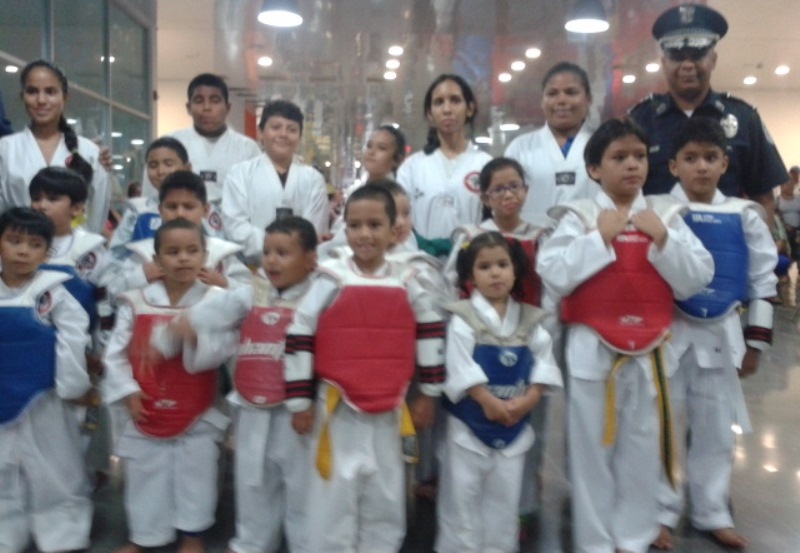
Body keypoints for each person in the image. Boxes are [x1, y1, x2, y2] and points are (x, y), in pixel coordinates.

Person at [536, 118, 713, 553]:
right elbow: (553, 273)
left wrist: (664, 240)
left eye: (638, 156)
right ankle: (595, 542)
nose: (632, 165)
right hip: (593, 346)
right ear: (595, 169)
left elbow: (697, 278)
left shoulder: (666, 216)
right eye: (619, 157)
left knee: (642, 449)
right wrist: (599, 238)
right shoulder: (580, 217)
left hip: (651, 347)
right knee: (591, 452)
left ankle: (633, 539)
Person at [284, 184, 446, 552]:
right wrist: (299, 402)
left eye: (374, 225)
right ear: (345, 229)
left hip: (391, 408)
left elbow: (431, 329)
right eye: (355, 225)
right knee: (332, 495)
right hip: (336, 407)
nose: (364, 234)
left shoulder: (408, 280)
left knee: (385, 497)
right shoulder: (331, 278)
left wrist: (429, 393)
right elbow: (299, 332)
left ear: (394, 230)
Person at [651, 117, 776, 550]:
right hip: (666, 335)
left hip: (722, 336)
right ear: (673, 166)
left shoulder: (745, 215)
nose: (701, 167)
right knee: (662, 427)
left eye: (710, 158)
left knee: (717, 429)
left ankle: (712, 511)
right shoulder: (655, 212)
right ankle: (659, 512)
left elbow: (763, 280)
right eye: (690, 158)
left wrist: (755, 343)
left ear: (724, 163)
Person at [172, 216, 318, 553]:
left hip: (300, 410)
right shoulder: (254, 291)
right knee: (252, 481)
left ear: (311, 258)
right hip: (253, 403)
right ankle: (251, 544)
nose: (271, 260)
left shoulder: (321, 295)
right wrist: (185, 325)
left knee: (304, 489)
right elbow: (218, 309)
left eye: (283, 253)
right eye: (267, 252)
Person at [102, 219, 229, 553]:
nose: (183, 258)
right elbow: (116, 353)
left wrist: (196, 337)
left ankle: (193, 534)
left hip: (197, 405)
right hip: (146, 402)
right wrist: (127, 391)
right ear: (157, 260)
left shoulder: (217, 300)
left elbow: (227, 350)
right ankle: (144, 535)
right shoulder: (135, 301)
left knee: (197, 474)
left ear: (205, 256)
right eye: (172, 252)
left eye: (192, 251)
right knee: (145, 473)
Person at [435, 232, 562, 553]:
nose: (495, 273)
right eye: (484, 267)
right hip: (468, 425)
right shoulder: (463, 318)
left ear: (515, 270)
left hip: (514, 422)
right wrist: (486, 400)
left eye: (502, 265)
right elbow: (459, 366)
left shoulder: (531, 320)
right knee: (461, 496)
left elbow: (544, 365)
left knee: (505, 499)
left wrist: (530, 398)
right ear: (470, 276)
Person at [629, 3, 787, 221]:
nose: (687, 65)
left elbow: (763, 197)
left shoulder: (744, 118)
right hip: (660, 239)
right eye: (677, 56)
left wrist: (759, 241)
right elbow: (623, 193)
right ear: (664, 63)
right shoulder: (640, 120)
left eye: (697, 54)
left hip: (728, 238)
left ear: (713, 60)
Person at [0, 207, 92, 553]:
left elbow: (74, 335)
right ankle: (6, 536)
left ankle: (62, 537)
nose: (23, 251)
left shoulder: (51, 291)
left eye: (35, 244)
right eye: (14, 241)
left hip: (44, 396)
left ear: (46, 251)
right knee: (3, 470)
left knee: (56, 468)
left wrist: (72, 385)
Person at [29, 166, 117, 478]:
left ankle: (84, 480)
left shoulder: (89, 251)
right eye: (36, 198)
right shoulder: (19, 244)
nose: (41, 205)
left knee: (79, 426)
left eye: (52, 199)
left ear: (77, 208)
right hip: (31, 352)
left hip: (80, 353)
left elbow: (105, 304)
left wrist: (102, 349)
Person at [144, 73, 262, 236]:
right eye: (199, 101)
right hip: (178, 229)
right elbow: (151, 195)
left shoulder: (248, 148)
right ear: (188, 107)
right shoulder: (169, 144)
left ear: (227, 108)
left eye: (215, 100)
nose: (207, 107)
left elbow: (257, 201)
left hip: (233, 233)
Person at [0, 60, 110, 233]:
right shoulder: (5, 149)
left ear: (64, 97)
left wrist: (83, 244)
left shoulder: (89, 152)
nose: (41, 100)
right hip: (20, 244)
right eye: (32, 91)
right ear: (22, 97)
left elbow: (97, 214)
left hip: (77, 247)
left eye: (50, 92)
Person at [222, 100, 329, 264]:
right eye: (276, 127)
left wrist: (288, 254)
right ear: (260, 132)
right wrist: (279, 250)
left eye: (292, 129)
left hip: (299, 271)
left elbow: (314, 230)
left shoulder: (313, 179)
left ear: (299, 137)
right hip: (251, 269)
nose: (283, 134)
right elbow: (235, 227)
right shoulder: (239, 174)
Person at [397, 73, 492, 257]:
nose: (447, 109)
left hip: (473, 263)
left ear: (470, 108)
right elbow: (400, 223)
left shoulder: (485, 164)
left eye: (455, 100)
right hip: (422, 264)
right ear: (429, 114)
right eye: (439, 102)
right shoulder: (411, 168)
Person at [112, 171, 250, 295]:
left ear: (205, 210)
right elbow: (112, 293)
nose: (180, 214)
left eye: (188, 207)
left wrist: (225, 283)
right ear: (160, 210)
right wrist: (140, 277)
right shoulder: (144, 254)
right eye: (172, 207)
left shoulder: (221, 255)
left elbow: (251, 294)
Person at [505, 61, 600, 226]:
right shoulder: (520, 148)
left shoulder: (604, 145)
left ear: (588, 99)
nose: (561, 100)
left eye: (571, 92)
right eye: (552, 93)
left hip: (592, 237)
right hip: (533, 237)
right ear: (542, 101)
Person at [110, 137, 192, 251]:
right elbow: (115, 254)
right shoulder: (137, 211)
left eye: (168, 164)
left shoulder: (200, 209)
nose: (160, 171)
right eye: (153, 165)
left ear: (187, 168)